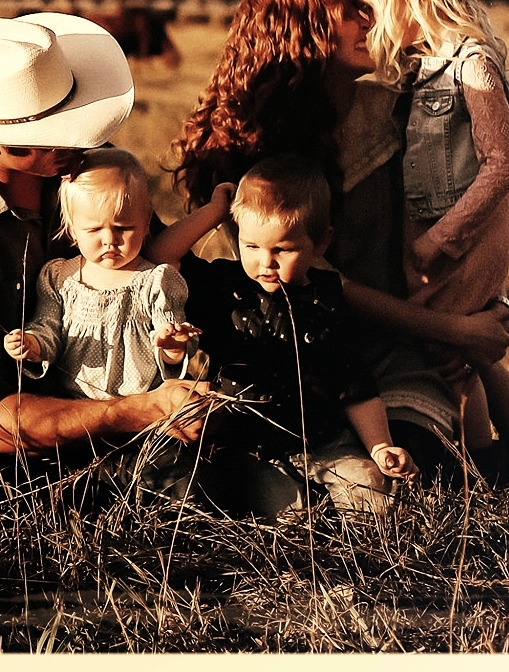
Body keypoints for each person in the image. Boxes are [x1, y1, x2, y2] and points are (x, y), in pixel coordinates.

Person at [163, 0, 509, 475]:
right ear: (302, 35)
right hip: (288, 369)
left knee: (406, 473)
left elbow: (465, 207)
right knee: (293, 489)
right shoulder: (244, 153)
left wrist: (476, 307)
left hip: (398, 356)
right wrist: (457, 329)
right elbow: (329, 285)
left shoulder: (401, 111)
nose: (373, 18)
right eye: (352, 11)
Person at [0, 13, 223, 507]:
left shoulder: (86, 168)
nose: (80, 139)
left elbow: (151, 264)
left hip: (107, 380)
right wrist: (134, 411)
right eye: (53, 131)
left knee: (190, 483)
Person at [344, 0, 509, 463]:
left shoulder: (471, 63)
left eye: (372, 4)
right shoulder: (422, 64)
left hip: (467, 231)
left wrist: (440, 239)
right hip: (446, 228)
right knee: (473, 353)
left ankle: (481, 473)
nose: (368, 19)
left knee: (447, 352)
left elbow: (504, 165)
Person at [151, 155, 419, 513]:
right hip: (249, 446)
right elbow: (159, 257)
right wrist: (215, 212)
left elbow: (355, 386)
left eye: (283, 249)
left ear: (320, 244)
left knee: (375, 493)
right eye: (251, 246)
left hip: (324, 439)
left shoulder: (327, 298)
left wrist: (380, 447)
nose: (266, 262)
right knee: (291, 517)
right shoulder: (222, 286)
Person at [3, 147, 229, 399]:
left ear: (145, 222)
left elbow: (171, 347)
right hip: (76, 407)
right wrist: (33, 344)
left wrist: (173, 346)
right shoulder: (60, 278)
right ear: (72, 228)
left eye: (124, 227)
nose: (110, 239)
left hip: (142, 407)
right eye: (94, 229)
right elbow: (48, 327)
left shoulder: (155, 281)